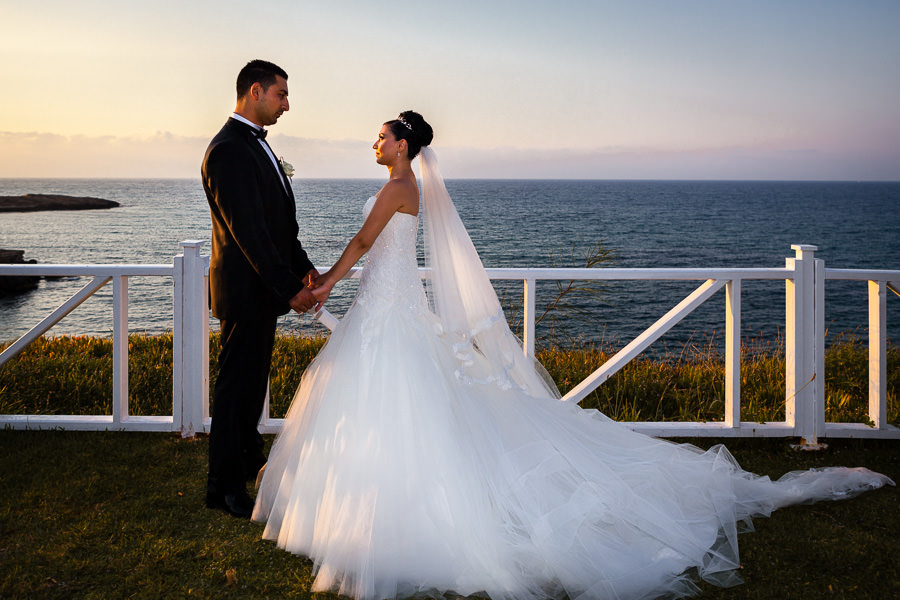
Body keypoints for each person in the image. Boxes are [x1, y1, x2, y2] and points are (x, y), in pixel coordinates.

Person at [252, 111, 893, 600]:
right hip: (386, 307)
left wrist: (323, 284)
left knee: (393, 407)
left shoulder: (398, 187)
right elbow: (372, 243)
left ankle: (387, 523)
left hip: (385, 309)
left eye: (382, 136)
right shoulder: (409, 186)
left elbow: (365, 241)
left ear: (403, 144)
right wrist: (324, 278)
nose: (375, 143)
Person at [201, 59, 318, 519]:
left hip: (259, 293)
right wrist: (290, 289)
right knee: (236, 390)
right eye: (281, 95)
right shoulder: (228, 149)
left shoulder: (256, 147)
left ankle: (249, 462)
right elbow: (247, 231)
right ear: (255, 91)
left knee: (251, 388)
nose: (286, 104)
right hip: (245, 293)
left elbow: (278, 227)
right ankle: (223, 487)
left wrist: (304, 269)